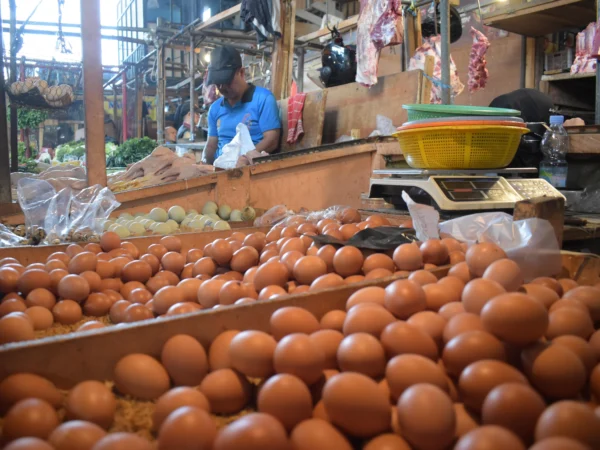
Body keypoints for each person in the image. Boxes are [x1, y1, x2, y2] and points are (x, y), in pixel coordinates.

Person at [202, 46, 281, 165]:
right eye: (218, 84)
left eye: (227, 82)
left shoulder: (263, 99)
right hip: (221, 167)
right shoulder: (215, 108)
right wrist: (204, 165)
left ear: (241, 72)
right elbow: (211, 145)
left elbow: (272, 140)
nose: (222, 88)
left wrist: (246, 157)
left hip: (250, 167)